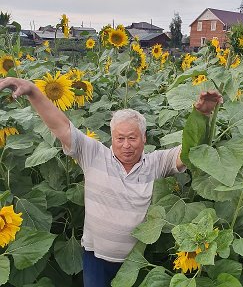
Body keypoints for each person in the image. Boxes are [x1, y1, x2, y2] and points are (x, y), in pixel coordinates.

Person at [0, 77, 222, 287]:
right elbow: (60, 126)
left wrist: (201, 115)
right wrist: (32, 90)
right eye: (120, 138)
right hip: (96, 258)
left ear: (144, 138)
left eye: (132, 138)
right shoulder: (94, 154)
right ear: (112, 138)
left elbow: (190, 152)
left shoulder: (156, 163)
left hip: (135, 262)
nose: (126, 145)